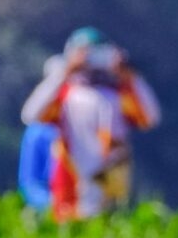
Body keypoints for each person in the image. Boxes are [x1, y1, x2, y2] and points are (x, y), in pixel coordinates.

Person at [21, 28, 160, 220]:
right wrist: (65, 71)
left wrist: (129, 75)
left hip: (111, 194)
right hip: (70, 194)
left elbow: (150, 117)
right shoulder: (65, 96)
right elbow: (31, 115)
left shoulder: (119, 97)